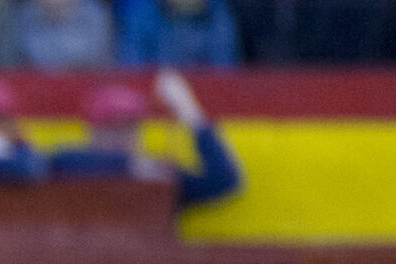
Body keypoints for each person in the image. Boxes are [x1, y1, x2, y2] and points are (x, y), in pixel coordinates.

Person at [49, 68, 241, 209]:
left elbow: (223, 180)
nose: (126, 136)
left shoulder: (153, 171)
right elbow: (58, 160)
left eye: (131, 128)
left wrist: (190, 112)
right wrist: (130, 165)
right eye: (114, 128)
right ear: (94, 131)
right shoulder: (73, 167)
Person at [115, 0, 237, 64]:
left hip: (206, 100)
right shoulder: (141, 13)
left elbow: (225, 73)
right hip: (153, 101)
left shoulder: (218, 13)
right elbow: (132, 73)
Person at [13, 0, 111, 66]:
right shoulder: (24, 17)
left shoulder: (94, 16)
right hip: (37, 87)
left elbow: (94, 59)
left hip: (85, 85)